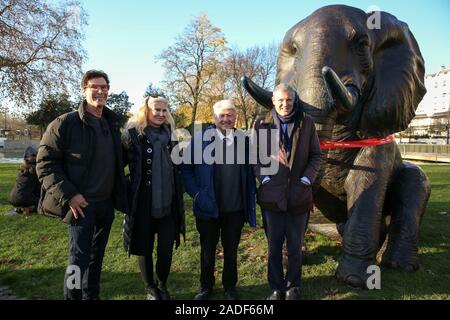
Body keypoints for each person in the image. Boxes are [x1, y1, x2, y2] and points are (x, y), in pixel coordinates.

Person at [36, 70, 128, 300]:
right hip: (81, 206)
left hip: (105, 205)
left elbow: (118, 160)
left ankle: (91, 295)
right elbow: (45, 164)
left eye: (104, 87)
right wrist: (70, 196)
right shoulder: (65, 123)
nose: (100, 91)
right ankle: (73, 297)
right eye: (94, 87)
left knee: (96, 258)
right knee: (77, 260)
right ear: (84, 89)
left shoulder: (110, 124)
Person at [182, 99, 256, 300]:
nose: (226, 119)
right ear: (214, 118)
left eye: (230, 114)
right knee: (207, 250)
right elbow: (186, 170)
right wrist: (196, 194)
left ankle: (230, 288)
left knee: (231, 251)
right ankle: (205, 287)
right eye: (221, 115)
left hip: (235, 208)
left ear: (235, 117)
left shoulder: (244, 140)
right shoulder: (200, 140)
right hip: (208, 208)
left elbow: (253, 170)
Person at [253, 83, 321, 300]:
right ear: (273, 101)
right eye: (280, 100)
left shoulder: (306, 122)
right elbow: (255, 156)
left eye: (288, 100)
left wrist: (306, 179)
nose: (284, 104)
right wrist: (263, 178)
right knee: (273, 248)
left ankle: (293, 287)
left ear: (294, 100)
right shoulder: (261, 123)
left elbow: (316, 156)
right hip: (271, 197)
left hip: (299, 196)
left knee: (295, 247)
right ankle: (276, 287)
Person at [122, 96, 185, 300]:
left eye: (164, 110)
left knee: (166, 249)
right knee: (144, 247)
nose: (160, 114)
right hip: (143, 204)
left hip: (168, 203)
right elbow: (116, 166)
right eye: (156, 110)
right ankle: (150, 288)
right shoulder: (133, 135)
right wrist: (128, 189)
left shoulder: (172, 135)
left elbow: (178, 168)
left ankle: (162, 285)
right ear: (146, 111)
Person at [9, 146, 40, 214]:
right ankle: (29, 208)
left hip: (12, 199)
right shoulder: (34, 171)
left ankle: (23, 208)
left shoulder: (22, 171)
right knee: (43, 201)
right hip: (23, 199)